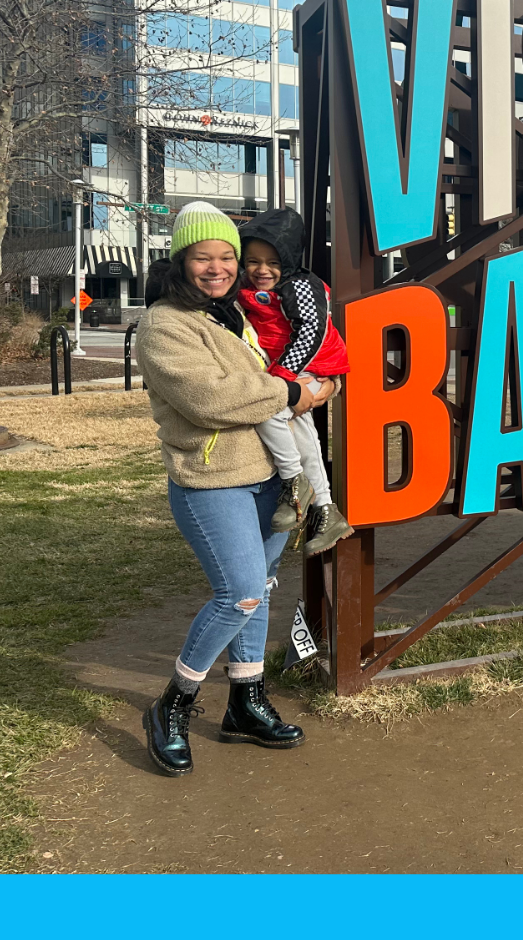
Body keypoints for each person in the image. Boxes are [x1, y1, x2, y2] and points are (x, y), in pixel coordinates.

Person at [133, 201, 337, 777]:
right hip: (211, 481)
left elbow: (280, 367)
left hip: (267, 480)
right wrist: (297, 395)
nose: (219, 267)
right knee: (240, 592)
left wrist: (319, 385)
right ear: (181, 260)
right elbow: (212, 401)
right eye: (205, 257)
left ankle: (244, 704)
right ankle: (172, 705)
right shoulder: (165, 324)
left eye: (228, 256)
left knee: (263, 588)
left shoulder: (232, 315)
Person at [236, 207, 354, 555]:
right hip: (294, 370)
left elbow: (311, 333)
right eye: (253, 261)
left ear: (287, 260)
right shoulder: (245, 287)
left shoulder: (302, 284)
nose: (261, 270)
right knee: (304, 438)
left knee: (270, 411)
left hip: (314, 366)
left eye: (272, 261)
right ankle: (328, 511)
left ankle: (294, 482)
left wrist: (280, 379)